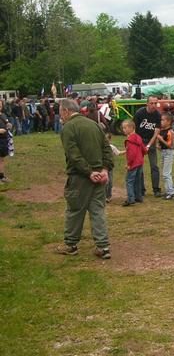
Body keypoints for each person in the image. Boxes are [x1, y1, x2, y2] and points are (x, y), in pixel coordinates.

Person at [55, 98, 113, 259]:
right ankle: (103, 247)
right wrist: (105, 169)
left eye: (61, 112)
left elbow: (74, 155)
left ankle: (70, 245)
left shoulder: (68, 128)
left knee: (75, 210)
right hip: (99, 175)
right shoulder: (93, 125)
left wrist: (89, 172)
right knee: (97, 211)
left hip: (80, 178)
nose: (60, 116)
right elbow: (106, 148)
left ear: (66, 111)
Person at [134, 96, 162, 197]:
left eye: (155, 103)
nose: (154, 105)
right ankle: (141, 190)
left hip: (151, 141)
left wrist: (149, 145)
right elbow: (134, 129)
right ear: (147, 103)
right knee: (139, 166)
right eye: (152, 103)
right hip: (139, 141)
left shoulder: (158, 115)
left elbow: (156, 132)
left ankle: (156, 189)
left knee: (154, 166)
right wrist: (139, 143)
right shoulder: (139, 113)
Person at [122, 119, 146, 207]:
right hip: (140, 163)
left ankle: (131, 199)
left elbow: (131, 154)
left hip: (134, 163)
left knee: (129, 181)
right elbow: (144, 149)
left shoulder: (129, 140)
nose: (123, 130)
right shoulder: (138, 137)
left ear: (131, 128)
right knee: (137, 180)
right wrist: (141, 157)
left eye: (125, 128)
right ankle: (138, 196)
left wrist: (129, 164)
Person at [157, 112, 174, 200]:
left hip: (169, 153)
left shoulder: (170, 132)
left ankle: (171, 193)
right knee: (166, 173)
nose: (161, 122)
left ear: (168, 122)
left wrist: (161, 139)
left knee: (166, 173)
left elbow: (171, 146)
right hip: (164, 152)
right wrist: (158, 146)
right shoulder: (162, 131)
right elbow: (162, 145)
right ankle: (172, 189)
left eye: (163, 120)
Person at [105, 132, 124, 203]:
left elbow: (118, 153)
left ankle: (108, 196)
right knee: (104, 182)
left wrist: (127, 151)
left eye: (107, 139)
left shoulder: (112, 147)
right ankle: (102, 196)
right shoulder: (100, 147)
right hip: (102, 167)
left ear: (109, 140)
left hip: (109, 167)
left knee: (109, 182)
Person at [0, 100, 12, 183]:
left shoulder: (3, 114)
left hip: (4, 140)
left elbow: (7, 123)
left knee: (2, 159)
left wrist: (9, 124)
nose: (0, 106)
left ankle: (2, 177)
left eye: (0, 104)